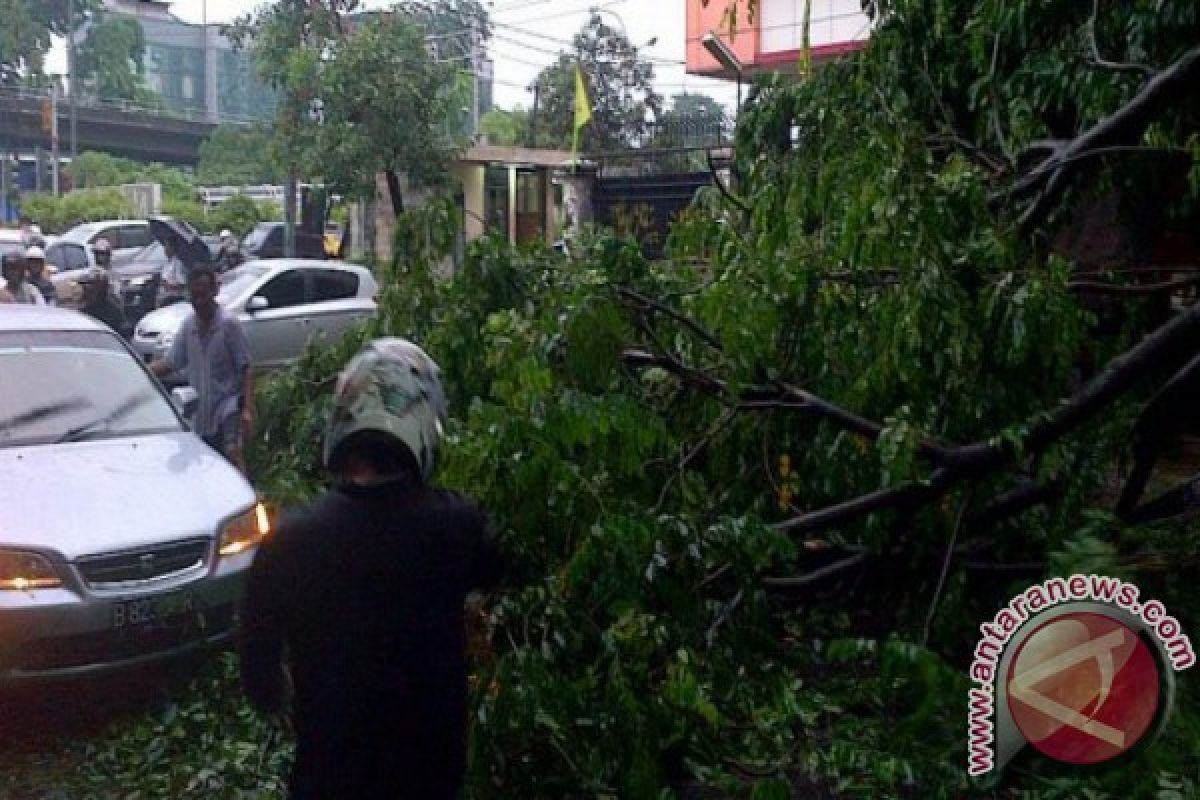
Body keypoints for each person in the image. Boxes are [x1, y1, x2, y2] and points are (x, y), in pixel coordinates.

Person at [240, 338, 504, 800]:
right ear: (424, 423)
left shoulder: (290, 540)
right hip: (428, 776)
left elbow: (258, 674)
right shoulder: (456, 525)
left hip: (328, 776)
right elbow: (508, 576)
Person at [149, 266, 254, 472]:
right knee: (206, 462)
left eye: (203, 295)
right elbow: (171, 362)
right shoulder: (189, 326)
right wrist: (139, 373)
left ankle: (247, 497)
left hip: (227, 406)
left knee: (232, 452)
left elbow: (247, 367)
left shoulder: (228, 325)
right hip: (201, 412)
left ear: (214, 292)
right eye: (194, 296)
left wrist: (248, 410)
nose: (199, 301)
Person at [79, 268, 128, 335]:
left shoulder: (111, 307)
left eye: (90, 285)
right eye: (85, 286)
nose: (87, 288)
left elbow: (121, 327)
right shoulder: (85, 308)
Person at [159, 239, 188, 306]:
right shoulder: (168, 262)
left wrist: (167, 285)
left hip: (174, 299)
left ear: (173, 248)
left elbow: (181, 284)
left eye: (167, 246)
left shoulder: (178, 263)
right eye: (165, 246)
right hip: (165, 297)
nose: (165, 249)